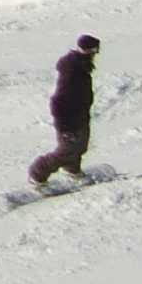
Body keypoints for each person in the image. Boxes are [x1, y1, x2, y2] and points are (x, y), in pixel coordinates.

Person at [30, 34, 99, 184]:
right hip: (68, 120)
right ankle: (37, 174)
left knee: (80, 146)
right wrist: (64, 128)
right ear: (89, 52)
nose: (96, 55)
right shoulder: (71, 71)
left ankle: (73, 170)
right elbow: (58, 101)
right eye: (95, 51)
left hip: (80, 115)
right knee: (65, 150)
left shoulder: (82, 66)